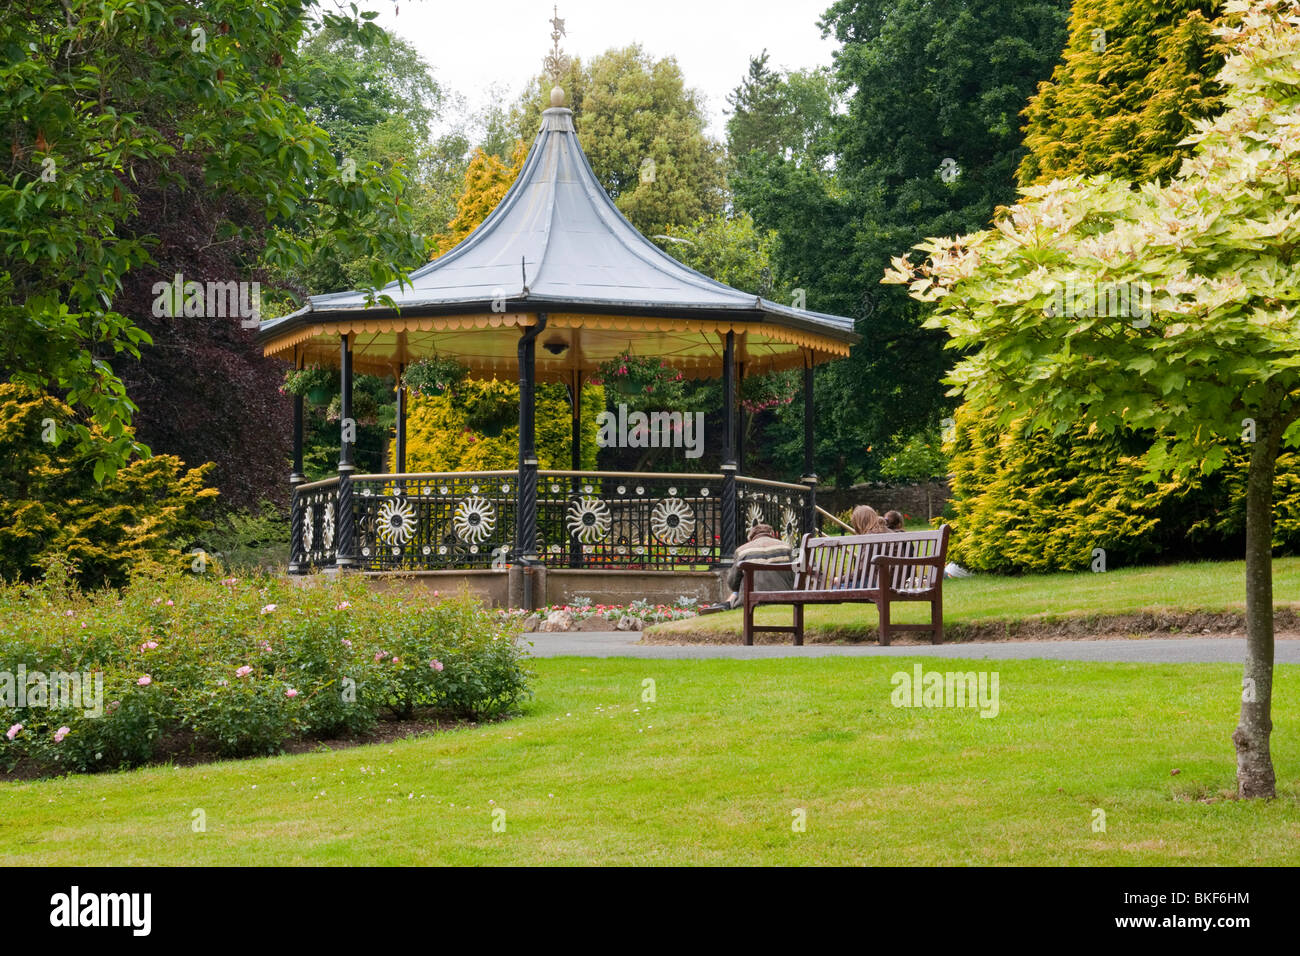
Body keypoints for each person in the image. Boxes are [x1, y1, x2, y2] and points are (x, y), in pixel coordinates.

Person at [701, 523, 795, 612]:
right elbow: (794, 576)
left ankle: (726, 604)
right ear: (772, 534)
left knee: (740, 586)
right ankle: (726, 604)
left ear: (750, 537)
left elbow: (733, 583)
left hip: (752, 600)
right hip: (784, 598)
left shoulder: (742, 551)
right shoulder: (786, 547)